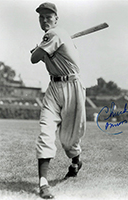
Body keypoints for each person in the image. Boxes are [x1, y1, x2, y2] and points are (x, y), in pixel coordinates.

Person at [30, 2, 86, 199]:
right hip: (53, 88)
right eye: (41, 17)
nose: (44, 20)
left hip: (72, 86)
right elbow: (39, 56)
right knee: (46, 131)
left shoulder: (55, 33)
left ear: (56, 18)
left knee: (69, 138)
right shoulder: (54, 36)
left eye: (48, 16)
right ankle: (43, 183)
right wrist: (41, 49)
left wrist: (38, 49)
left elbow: (34, 58)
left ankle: (75, 162)